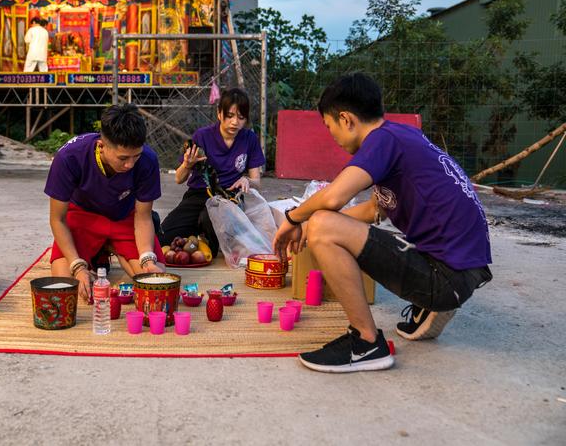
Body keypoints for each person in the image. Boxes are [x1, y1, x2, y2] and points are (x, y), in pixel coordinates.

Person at [273, 72, 492, 373]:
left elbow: (334, 197)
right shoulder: (402, 136)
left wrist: (294, 218)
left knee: (322, 221)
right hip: (461, 268)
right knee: (322, 225)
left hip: (446, 277)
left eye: (329, 126)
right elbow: (376, 209)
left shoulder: (382, 140)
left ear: (346, 119)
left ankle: (365, 343)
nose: (332, 137)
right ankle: (426, 304)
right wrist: (312, 229)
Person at [45, 103, 166, 302]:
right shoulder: (69, 157)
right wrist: (77, 265)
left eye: (136, 156)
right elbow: (57, 219)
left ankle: (111, 249)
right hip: (83, 216)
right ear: (101, 146)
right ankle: (97, 254)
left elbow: (143, 216)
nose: (130, 164)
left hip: (125, 216)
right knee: (65, 282)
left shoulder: (148, 159)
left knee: (154, 280)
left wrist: (147, 257)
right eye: (123, 158)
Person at [159, 88, 266, 257]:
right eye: (230, 116)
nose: (235, 122)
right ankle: (199, 234)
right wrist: (187, 164)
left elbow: (257, 182)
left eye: (241, 117)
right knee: (163, 238)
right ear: (219, 113)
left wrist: (247, 180)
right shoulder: (203, 136)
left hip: (229, 198)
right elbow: (179, 178)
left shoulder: (249, 139)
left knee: (210, 220)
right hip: (198, 195)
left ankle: (206, 237)